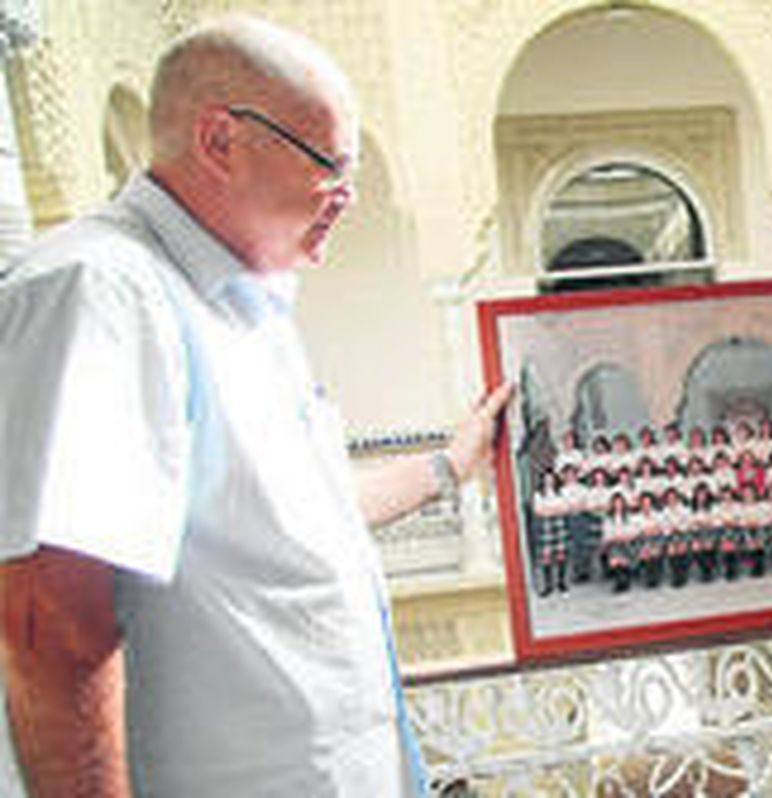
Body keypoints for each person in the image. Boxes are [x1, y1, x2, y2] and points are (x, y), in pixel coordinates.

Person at [0, 16, 513, 796]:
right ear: (220, 140)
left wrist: (451, 463)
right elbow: (50, 619)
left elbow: (296, 521)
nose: (346, 195)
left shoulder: (241, 307)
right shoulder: (101, 291)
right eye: (329, 166)